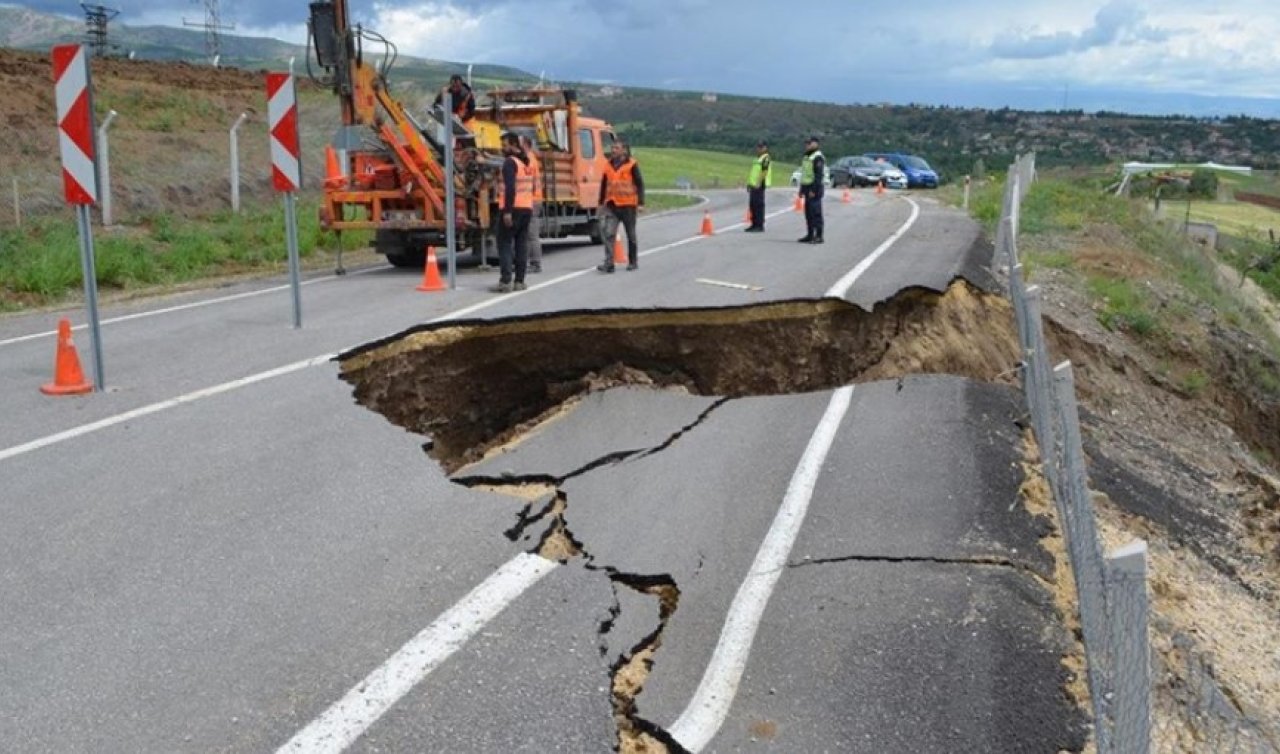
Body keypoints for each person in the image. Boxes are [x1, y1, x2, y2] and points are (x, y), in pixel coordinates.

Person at [492, 132, 533, 292]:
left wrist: (507, 211)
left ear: (514, 145)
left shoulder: (510, 162)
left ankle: (506, 281)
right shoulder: (525, 162)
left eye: (505, 145)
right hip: (526, 208)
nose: (502, 148)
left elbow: (510, 188)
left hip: (512, 208)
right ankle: (520, 281)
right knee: (521, 244)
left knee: (504, 243)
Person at [597, 140, 645, 272]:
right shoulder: (608, 164)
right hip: (612, 205)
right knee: (608, 233)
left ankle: (633, 262)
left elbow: (639, 184)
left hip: (628, 205)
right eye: (612, 147)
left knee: (631, 235)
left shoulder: (631, 164)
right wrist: (600, 203)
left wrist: (641, 203)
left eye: (616, 148)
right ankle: (609, 263)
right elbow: (603, 185)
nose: (613, 150)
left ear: (623, 150)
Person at [520, 134, 544, 273]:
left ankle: (535, 263)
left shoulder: (529, 159)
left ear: (526, 145)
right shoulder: (530, 158)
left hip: (532, 200)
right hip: (531, 199)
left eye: (520, 143)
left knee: (531, 234)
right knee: (528, 233)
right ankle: (531, 262)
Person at [798, 135, 826, 244]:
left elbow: (818, 175)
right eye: (806, 143)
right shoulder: (807, 156)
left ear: (816, 144)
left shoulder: (818, 157)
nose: (807, 145)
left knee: (816, 213)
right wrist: (801, 189)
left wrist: (813, 190)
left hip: (815, 188)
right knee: (808, 213)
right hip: (806, 186)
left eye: (809, 143)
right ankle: (810, 235)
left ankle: (819, 236)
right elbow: (804, 174)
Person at [745, 140, 772, 232]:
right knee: (752, 205)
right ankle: (754, 224)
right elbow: (754, 172)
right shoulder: (757, 159)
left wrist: (759, 182)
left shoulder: (766, 158)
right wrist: (749, 183)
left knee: (758, 205)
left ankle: (759, 225)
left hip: (760, 184)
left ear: (765, 148)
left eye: (761, 147)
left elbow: (764, 171)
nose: (759, 149)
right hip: (753, 184)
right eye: (758, 147)